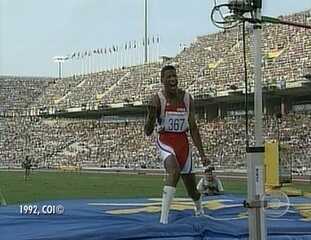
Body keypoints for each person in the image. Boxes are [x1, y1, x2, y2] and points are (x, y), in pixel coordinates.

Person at [144, 65, 212, 224]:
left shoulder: (187, 98)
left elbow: (193, 128)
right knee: (173, 172)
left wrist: (202, 154)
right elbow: (147, 131)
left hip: (183, 142)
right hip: (166, 140)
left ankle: (199, 208)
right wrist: (151, 115)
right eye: (168, 77)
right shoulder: (158, 99)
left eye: (174, 76)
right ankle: (164, 220)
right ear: (162, 80)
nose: (173, 79)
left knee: (192, 190)